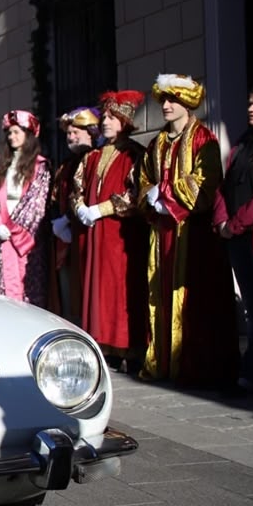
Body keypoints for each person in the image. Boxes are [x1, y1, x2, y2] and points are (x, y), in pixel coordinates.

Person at [137, 74, 238, 386]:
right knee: (162, 296)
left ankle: (193, 365)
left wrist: (165, 193)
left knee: (193, 299)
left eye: (173, 100)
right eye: (164, 100)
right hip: (162, 231)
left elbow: (207, 183)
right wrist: (149, 197)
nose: (166, 106)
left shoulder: (203, 140)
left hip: (192, 235)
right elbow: (142, 179)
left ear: (187, 103)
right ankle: (164, 361)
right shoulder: (157, 142)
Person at [70, 91, 149, 373]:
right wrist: (79, 206)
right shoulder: (91, 157)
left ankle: (129, 347)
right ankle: (104, 346)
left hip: (121, 234)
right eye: (105, 116)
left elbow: (135, 193)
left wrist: (101, 209)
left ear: (124, 121)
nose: (105, 121)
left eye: (112, 117)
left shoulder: (135, 154)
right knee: (99, 289)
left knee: (122, 291)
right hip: (95, 235)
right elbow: (77, 186)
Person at [213, 80, 253, 399]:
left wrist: (236, 223)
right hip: (239, 240)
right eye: (250, 103)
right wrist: (222, 220)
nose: (251, 109)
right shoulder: (242, 144)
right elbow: (224, 187)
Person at [0, 110, 51, 307]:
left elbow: (37, 202)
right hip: (3, 235)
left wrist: (14, 229)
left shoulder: (40, 167)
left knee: (28, 287)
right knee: (4, 285)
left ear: (28, 134)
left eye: (17, 132)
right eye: (9, 133)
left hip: (27, 240)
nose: (12, 137)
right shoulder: (2, 166)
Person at [50, 107, 101, 321]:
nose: (70, 137)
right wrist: (58, 222)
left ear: (90, 132)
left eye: (75, 133)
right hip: (66, 242)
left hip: (91, 236)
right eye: (68, 134)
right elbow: (54, 198)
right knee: (68, 295)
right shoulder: (66, 166)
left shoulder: (97, 160)